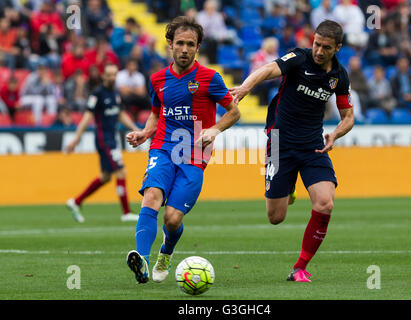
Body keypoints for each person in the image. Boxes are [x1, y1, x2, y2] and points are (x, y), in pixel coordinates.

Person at [230, 20, 354, 282]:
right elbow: (267, 69)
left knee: (325, 203)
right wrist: (245, 87)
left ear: (338, 48)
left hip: (313, 146)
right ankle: (288, 190)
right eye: (317, 44)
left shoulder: (339, 76)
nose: (319, 51)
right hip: (278, 142)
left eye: (326, 47)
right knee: (276, 217)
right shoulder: (299, 57)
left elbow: (348, 116)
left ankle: (300, 267)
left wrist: (336, 133)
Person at [124, 16, 240, 284]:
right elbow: (156, 114)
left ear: (198, 47)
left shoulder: (210, 78)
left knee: (172, 219)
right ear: (169, 45)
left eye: (190, 44)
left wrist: (214, 130)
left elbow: (234, 113)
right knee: (152, 195)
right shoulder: (157, 79)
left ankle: (166, 252)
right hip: (163, 147)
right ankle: (141, 260)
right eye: (180, 43)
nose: (184, 49)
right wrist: (144, 132)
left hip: (196, 155)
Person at [65, 63, 140, 223]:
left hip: (112, 138)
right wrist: (76, 138)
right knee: (121, 172)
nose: (112, 77)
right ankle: (126, 212)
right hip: (104, 139)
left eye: (115, 74)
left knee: (105, 177)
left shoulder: (115, 93)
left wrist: (136, 128)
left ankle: (76, 202)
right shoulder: (98, 94)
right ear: (103, 76)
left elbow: (120, 114)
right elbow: (87, 116)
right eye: (110, 74)